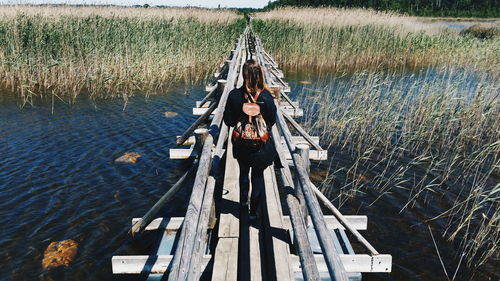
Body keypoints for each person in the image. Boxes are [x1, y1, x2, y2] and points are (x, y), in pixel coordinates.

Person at [223, 59, 277, 220]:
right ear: (260, 75)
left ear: (243, 74)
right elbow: (272, 121)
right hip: (261, 147)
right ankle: (254, 212)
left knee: (243, 173)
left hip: (241, 145)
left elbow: (229, 121)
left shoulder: (234, 95)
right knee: (258, 177)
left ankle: (243, 204)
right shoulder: (267, 97)